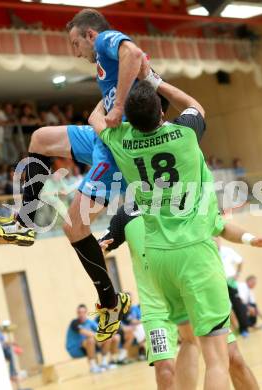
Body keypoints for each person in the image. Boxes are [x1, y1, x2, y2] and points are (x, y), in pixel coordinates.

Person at [0, 8, 152, 341]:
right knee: (40, 139)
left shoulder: (104, 40)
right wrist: (106, 108)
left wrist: (116, 109)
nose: (75, 51)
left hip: (119, 145)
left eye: (76, 43)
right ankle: (25, 225)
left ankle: (110, 302)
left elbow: (133, 52)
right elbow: (135, 67)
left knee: (74, 226)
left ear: (90, 35)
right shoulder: (106, 64)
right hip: (105, 136)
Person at [90, 75, 234, 389]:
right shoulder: (184, 133)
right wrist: (155, 80)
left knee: (188, 342)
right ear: (161, 112)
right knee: (216, 357)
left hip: (159, 259)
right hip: (194, 250)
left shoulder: (121, 140)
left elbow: (94, 119)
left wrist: (114, 91)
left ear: (129, 117)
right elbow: (196, 106)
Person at [100, 203, 262, 390]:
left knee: (234, 359)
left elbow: (219, 225)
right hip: (156, 307)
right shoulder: (127, 213)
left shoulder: (183, 196)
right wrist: (106, 287)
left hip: (194, 296)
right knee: (165, 371)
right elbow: (100, 248)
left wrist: (250, 239)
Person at [66, 304, 119, 373]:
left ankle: (104, 362)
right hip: (76, 349)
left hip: (89, 346)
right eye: (79, 312)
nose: (81, 314)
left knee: (110, 338)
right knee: (91, 339)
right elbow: (84, 332)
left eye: (83, 312)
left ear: (86, 313)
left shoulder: (90, 322)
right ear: (77, 313)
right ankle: (93, 367)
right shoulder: (74, 323)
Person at [216, 238, 250, 337]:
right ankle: (230, 331)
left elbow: (240, 261)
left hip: (230, 282)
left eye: (216, 239)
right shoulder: (209, 254)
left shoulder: (227, 251)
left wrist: (237, 274)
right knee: (224, 308)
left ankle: (244, 329)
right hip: (218, 284)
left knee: (238, 305)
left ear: (219, 240)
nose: (214, 242)